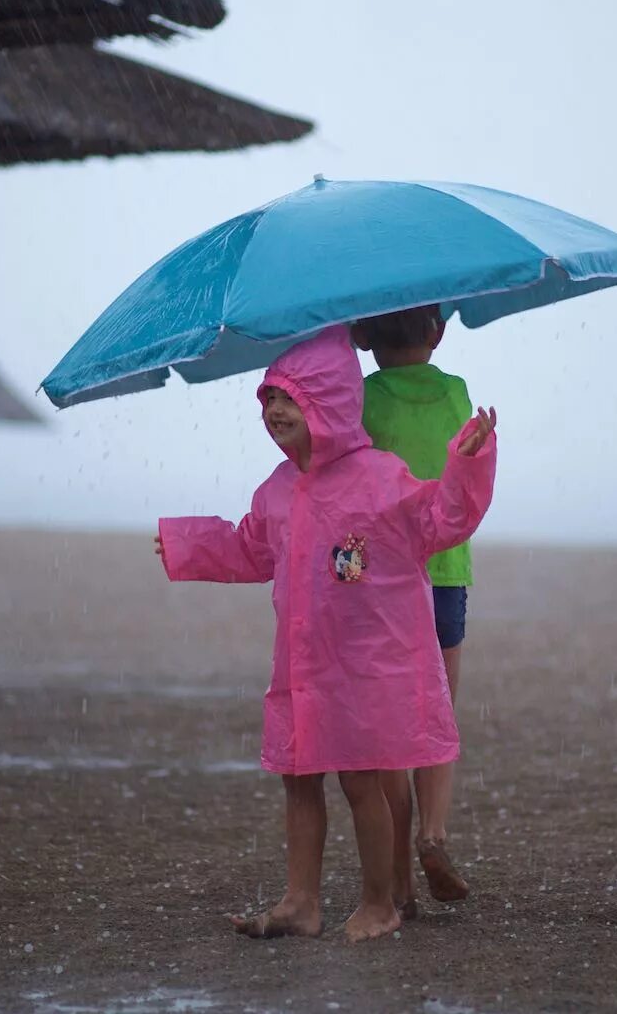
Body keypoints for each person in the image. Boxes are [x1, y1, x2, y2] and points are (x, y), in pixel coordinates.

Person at [153, 325, 497, 942]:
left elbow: (442, 517)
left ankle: (380, 902)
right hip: (301, 668)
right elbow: (248, 549)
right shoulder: (278, 492)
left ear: (333, 404)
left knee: (362, 780)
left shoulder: (381, 478)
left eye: (290, 398)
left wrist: (466, 462)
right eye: (268, 400)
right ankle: (300, 902)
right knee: (299, 778)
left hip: (364, 668)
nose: (275, 411)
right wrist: (187, 544)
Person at [350, 305, 477, 912]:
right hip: (446, 569)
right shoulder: (456, 391)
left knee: (388, 712)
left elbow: (348, 475)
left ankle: (399, 858)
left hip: (383, 574)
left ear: (363, 336)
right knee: (439, 709)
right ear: (439, 332)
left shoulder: (361, 398)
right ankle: (434, 832)